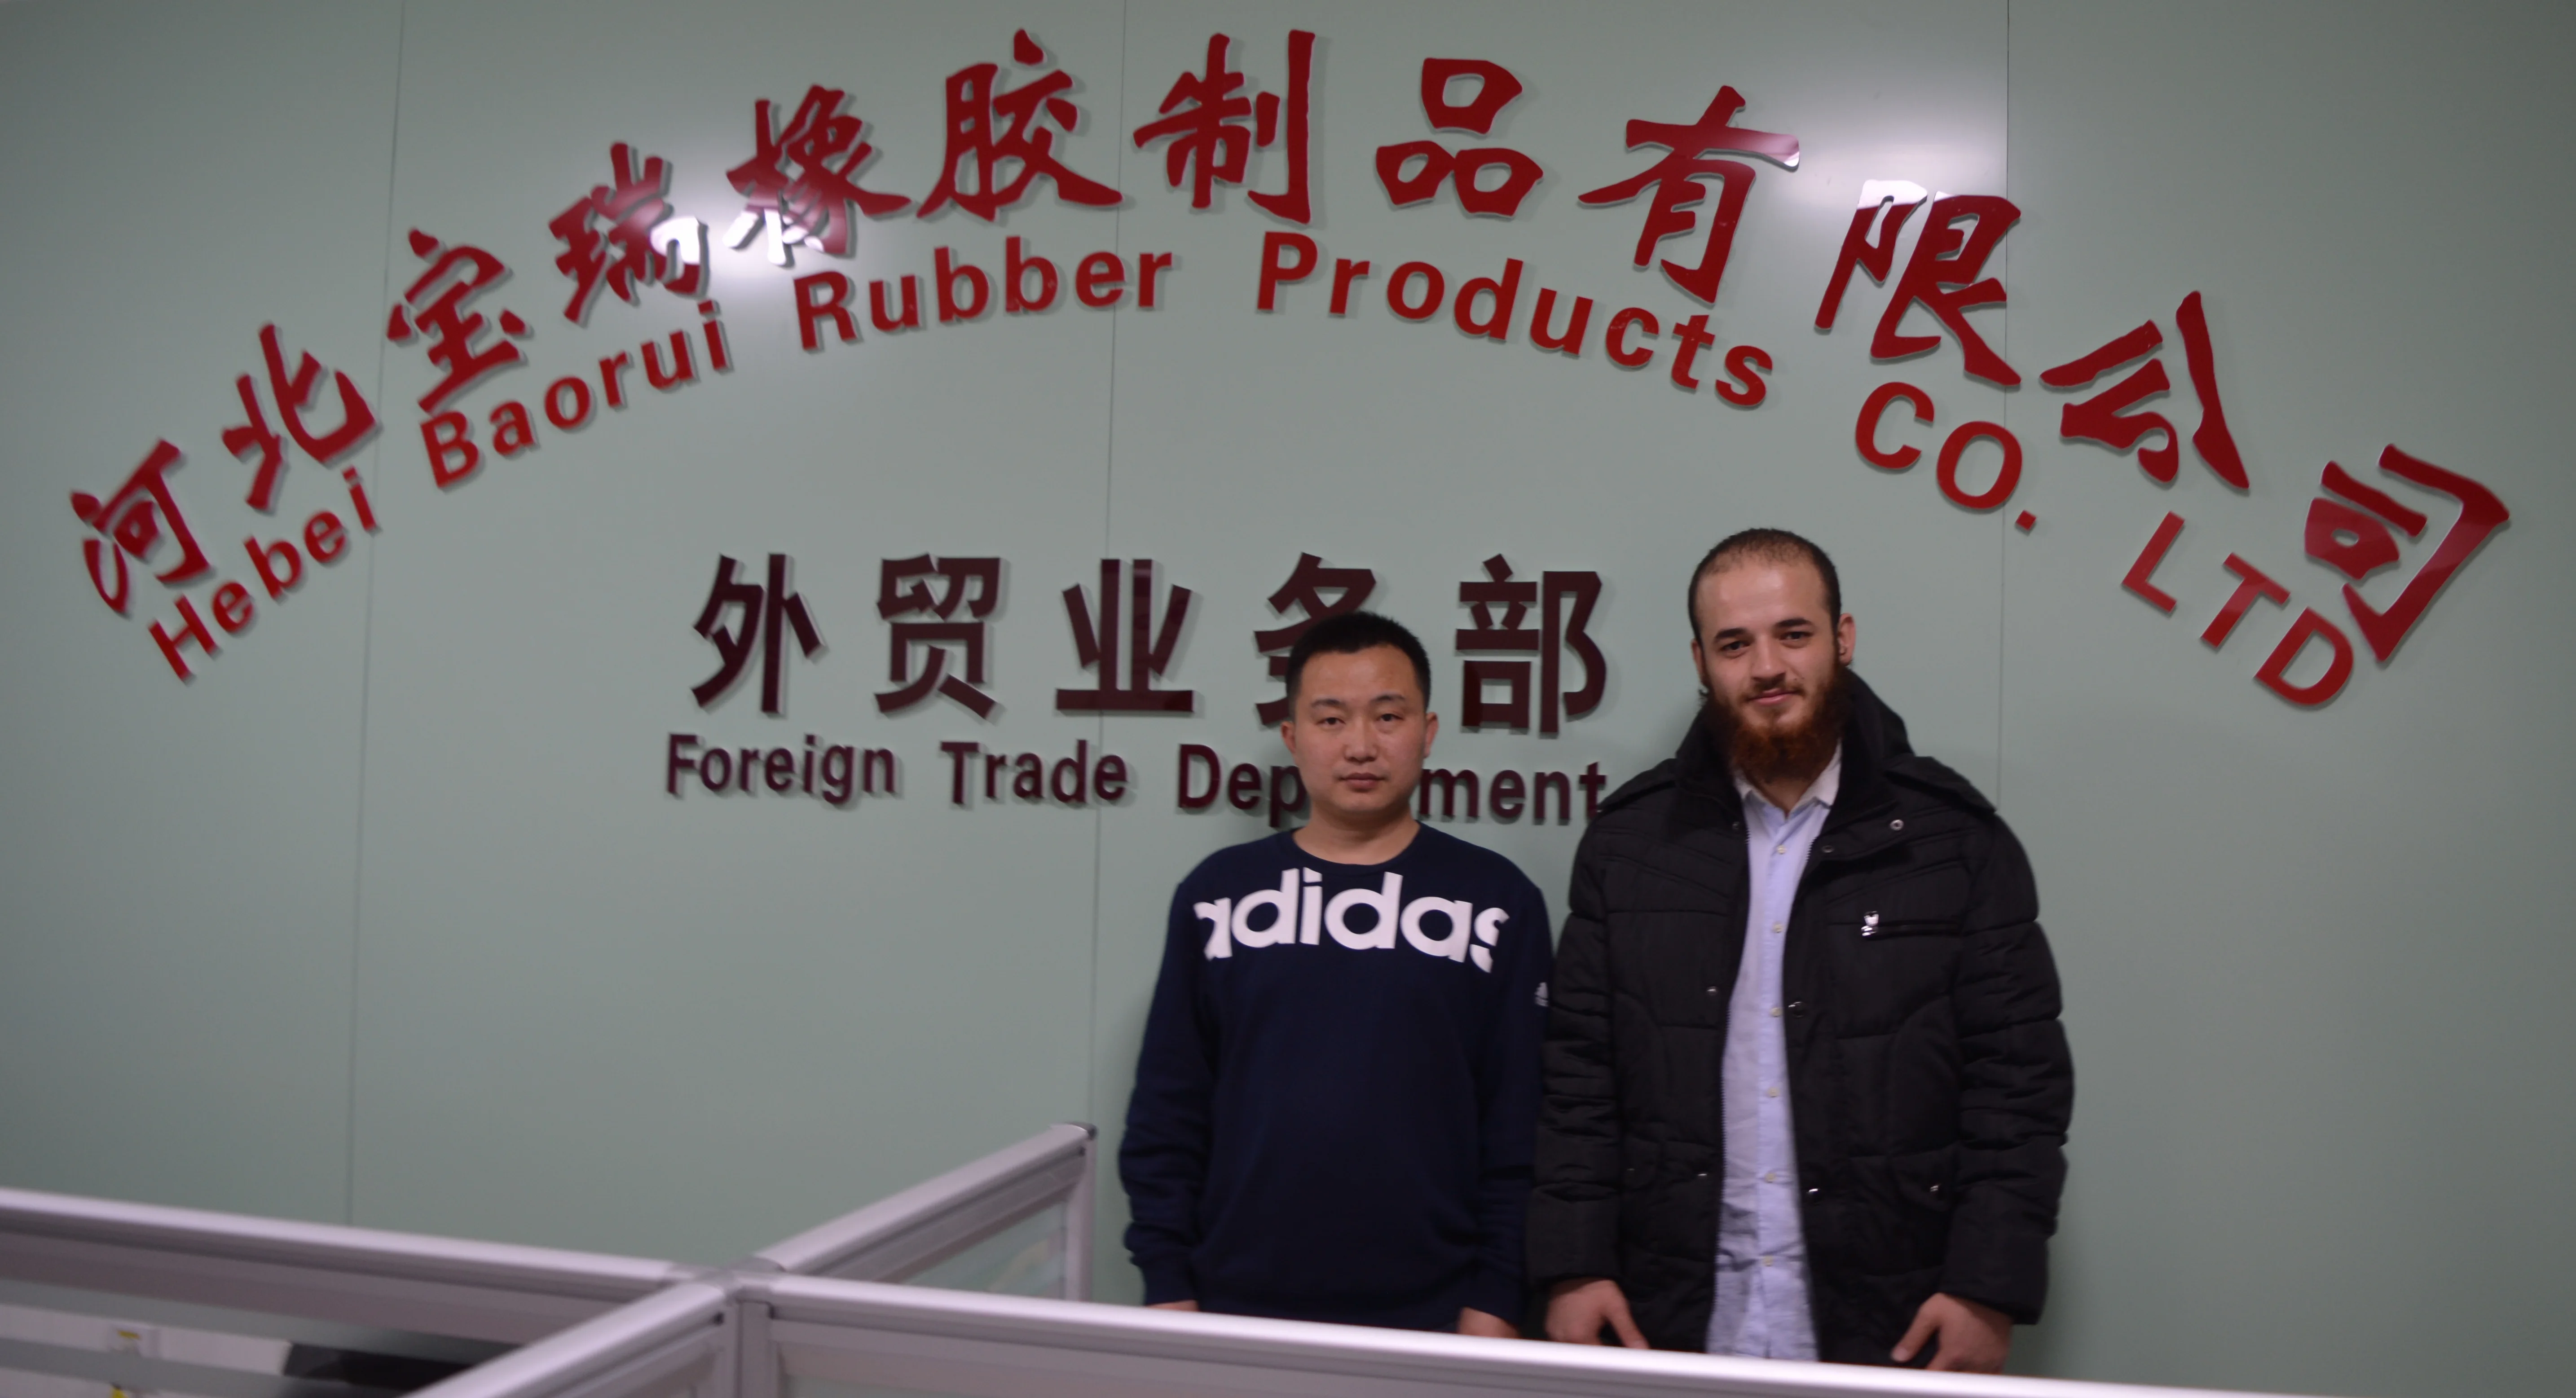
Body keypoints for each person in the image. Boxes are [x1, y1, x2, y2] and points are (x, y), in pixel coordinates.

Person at [1528, 529, 2073, 1371]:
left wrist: (1985, 1287)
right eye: (1734, 645)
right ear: (1701, 662)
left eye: (1794, 634)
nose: (1767, 667)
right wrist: (1574, 1266)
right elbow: (1579, 1079)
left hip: (1896, 1320)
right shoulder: (1631, 845)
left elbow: (2019, 1082)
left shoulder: (1953, 842)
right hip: (1667, 1315)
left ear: (1842, 639)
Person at [1120, 611, 1552, 1335]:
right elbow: (1169, 1107)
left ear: (1427, 731)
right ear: (1293, 737)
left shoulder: (1497, 900)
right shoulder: (1219, 894)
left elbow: (1523, 1123)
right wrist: (1166, 1282)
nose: (1360, 746)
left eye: (1388, 716)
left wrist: (1498, 1297)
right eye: (1331, 719)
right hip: (1232, 1306)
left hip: (1439, 1313)